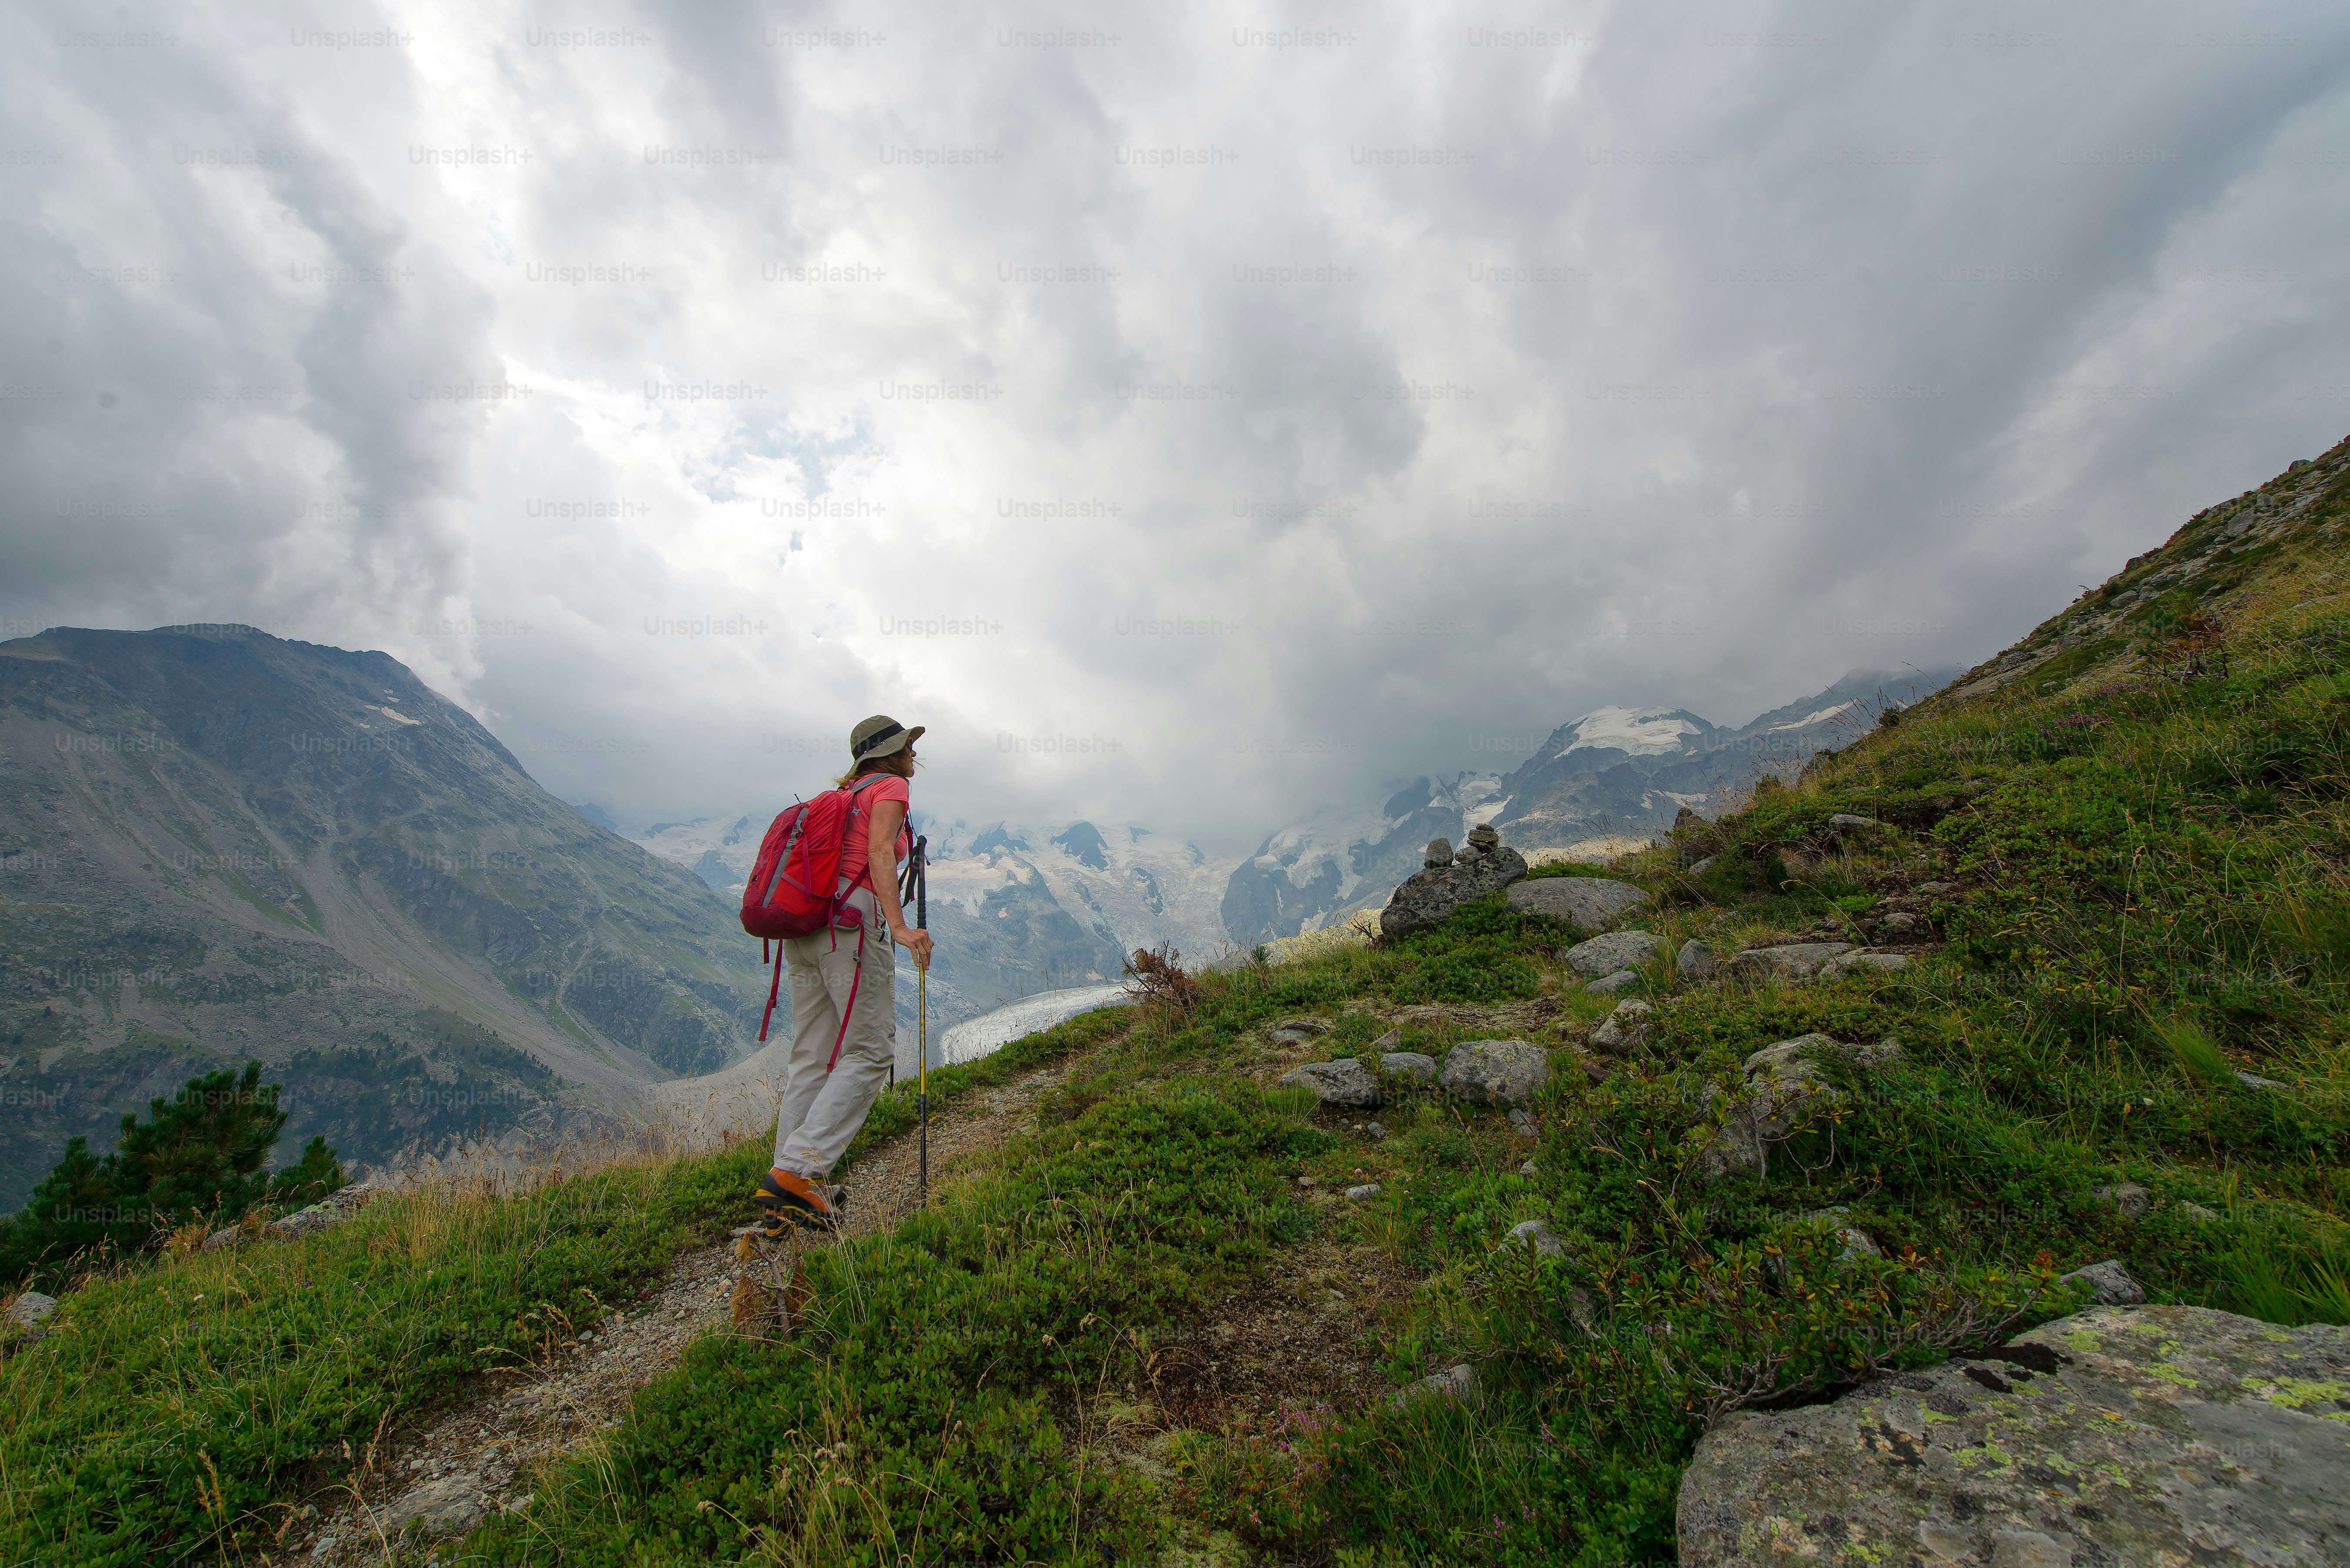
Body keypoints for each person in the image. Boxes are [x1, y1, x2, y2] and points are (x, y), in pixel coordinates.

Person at [755, 714, 933, 1231]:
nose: (913, 755)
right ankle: (799, 1172)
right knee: (871, 1051)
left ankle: (783, 1186)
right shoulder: (890, 787)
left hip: (807, 932)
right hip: (851, 929)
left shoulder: (839, 796)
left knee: (812, 1055)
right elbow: (880, 850)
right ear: (890, 754)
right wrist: (899, 927)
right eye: (907, 747)